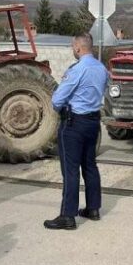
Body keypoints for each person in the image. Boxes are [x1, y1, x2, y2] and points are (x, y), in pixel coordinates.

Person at [44, 33, 108, 231]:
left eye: (73, 47)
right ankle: (93, 209)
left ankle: (68, 216)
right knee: (90, 165)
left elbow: (57, 100)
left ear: (79, 48)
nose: (73, 50)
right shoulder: (102, 68)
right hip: (93, 122)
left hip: (74, 124)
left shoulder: (77, 69)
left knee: (71, 170)